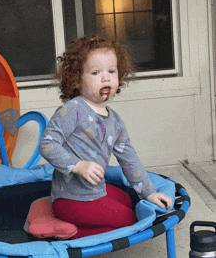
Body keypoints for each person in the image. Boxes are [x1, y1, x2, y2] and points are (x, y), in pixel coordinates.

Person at [39, 35, 172, 239]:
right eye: (95, 72)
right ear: (77, 78)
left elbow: (129, 159)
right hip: (70, 199)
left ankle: (57, 218)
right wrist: (77, 165)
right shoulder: (72, 110)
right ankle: (62, 229)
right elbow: (47, 144)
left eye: (112, 71)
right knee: (129, 219)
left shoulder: (115, 121)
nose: (106, 78)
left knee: (128, 201)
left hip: (94, 190)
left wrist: (149, 193)